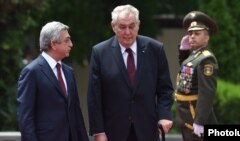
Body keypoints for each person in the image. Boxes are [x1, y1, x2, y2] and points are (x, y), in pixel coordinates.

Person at [87, 4, 174, 141]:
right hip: (113, 132)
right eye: (122, 27)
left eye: (131, 26)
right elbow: (94, 97)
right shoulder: (100, 53)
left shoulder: (155, 50)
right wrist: (98, 131)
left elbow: (165, 90)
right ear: (113, 26)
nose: (127, 32)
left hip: (147, 130)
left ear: (138, 25)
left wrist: (164, 115)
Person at [17, 21, 89, 141]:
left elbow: (76, 112)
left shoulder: (69, 72)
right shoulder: (31, 72)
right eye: (67, 40)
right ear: (54, 44)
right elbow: (25, 118)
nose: (71, 44)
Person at [175, 11, 219, 141]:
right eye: (190, 33)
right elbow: (186, 69)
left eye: (197, 33)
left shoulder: (207, 59)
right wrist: (183, 50)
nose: (192, 37)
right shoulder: (195, 55)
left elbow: (207, 92)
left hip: (196, 118)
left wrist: (200, 121)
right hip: (187, 116)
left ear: (207, 37)